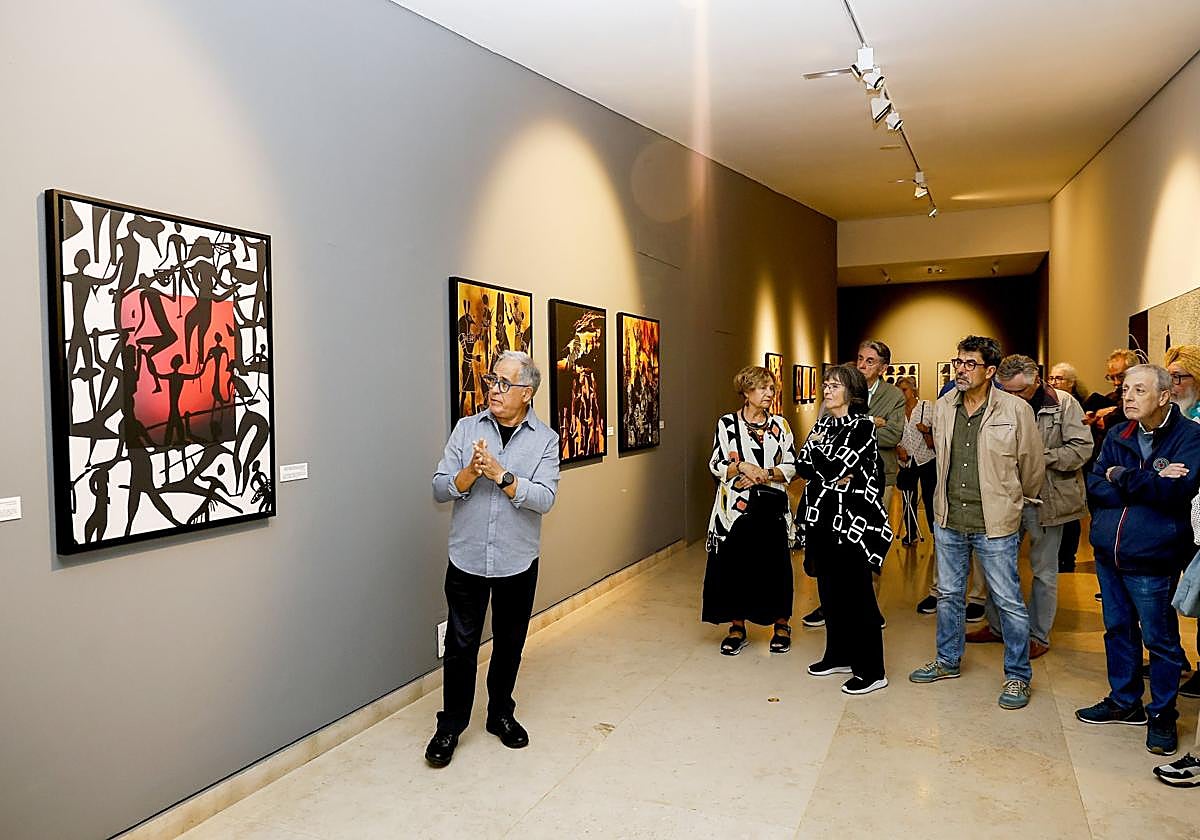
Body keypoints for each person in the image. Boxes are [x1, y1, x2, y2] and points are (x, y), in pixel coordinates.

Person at [426, 351, 560, 768]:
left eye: (504, 383)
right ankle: (450, 726)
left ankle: (500, 713)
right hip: (465, 558)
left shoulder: (546, 440)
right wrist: (470, 473)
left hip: (516, 562)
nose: (494, 390)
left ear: (528, 392)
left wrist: (502, 475)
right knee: (461, 645)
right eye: (491, 380)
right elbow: (439, 487)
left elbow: (545, 498)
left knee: (509, 643)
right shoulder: (467, 428)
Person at [909, 336, 1045, 710]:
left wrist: (1014, 502)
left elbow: (1032, 467)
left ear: (989, 371)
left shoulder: (1015, 410)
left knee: (1008, 601)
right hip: (950, 518)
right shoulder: (943, 407)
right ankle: (947, 660)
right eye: (958, 362)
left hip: (995, 522)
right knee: (950, 595)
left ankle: (1017, 676)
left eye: (970, 364)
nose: (961, 370)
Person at [1076, 364, 1200, 757]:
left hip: (1154, 554)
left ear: (1164, 397)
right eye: (1126, 389)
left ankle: (1162, 714)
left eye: (1138, 390)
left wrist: (1121, 476)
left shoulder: (1191, 437)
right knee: (1117, 629)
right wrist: (1139, 480)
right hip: (1109, 551)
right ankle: (1124, 701)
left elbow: (1176, 493)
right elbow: (1095, 486)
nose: (1127, 397)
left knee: (1160, 639)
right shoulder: (1117, 433)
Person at [966, 355, 1092, 659]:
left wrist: (1037, 455)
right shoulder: (996, 402)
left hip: (1047, 500)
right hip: (1005, 499)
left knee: (1044, 571)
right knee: (996, 565)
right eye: (1006, 391)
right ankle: (996, 627)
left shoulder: (1063, 404)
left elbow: (1081, 449)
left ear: (1037, 381)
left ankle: (1038, 635)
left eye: (1019, 392)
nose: (1013, 398)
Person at [796, 364, 892, 695]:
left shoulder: (863, 426)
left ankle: (871, 670)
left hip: (852, 524)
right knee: (830, 592)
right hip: (821, 519)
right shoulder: (822, 424)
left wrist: (829, 465)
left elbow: (836, 465)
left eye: (834, 385)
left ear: (851, 393)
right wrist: (831, 468)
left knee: (858, 596)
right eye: (825, 384)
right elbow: (803, 465)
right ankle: (837, 655)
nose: (826, 390)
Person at [801, 340, 903, 628]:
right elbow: (808, 455)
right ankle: (830, 605)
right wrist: (873, 423)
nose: (862, 364)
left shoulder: (893, 395)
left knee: (862, 550)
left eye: (870, 361)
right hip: (830, 491)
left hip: (873, 483)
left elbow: (893, 435)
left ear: (883, 367)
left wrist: (862, 428)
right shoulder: (833, 402)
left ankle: (866, 608)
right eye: (860, 358)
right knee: (833, 550)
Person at [703, 365, 798, 655]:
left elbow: (793, 465)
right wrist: (742, 466)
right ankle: (737, 627)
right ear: (746, 392)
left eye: (771, 388)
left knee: (775, 567)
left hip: (771, 507)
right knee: (735, 568)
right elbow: (716, 464)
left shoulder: (780, 425)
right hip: (736, 511)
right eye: (762, 388)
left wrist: (764, 474)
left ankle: (781, 624)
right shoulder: (727, 424)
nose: (769, 393)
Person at [1165, 345, 1200, 698]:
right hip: (1173, 521)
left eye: (1180, 377)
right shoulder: (1171, 419)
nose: (1173, 386)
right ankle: (1174, 658)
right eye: (1169, 378)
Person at [1050, 361, 1089, 572]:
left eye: (1059, 378)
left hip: (1070, 469)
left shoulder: (1077, 403)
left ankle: (1067, 558)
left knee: (1070, 517)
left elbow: (1081, 444)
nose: (1054, 382)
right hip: (1052, 471)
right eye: (1052, 378)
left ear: (1071, 383)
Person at [895, 376, 935, 547]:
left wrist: (927, 431)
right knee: (908, 498)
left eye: (904, 390)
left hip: (926, 459)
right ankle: (910, 533)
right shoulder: (895, 410)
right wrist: (898, 448)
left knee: (930, 498)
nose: (901, 394)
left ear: (914, 390)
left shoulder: (927, 407)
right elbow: (892, 433)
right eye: (898, 391)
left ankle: (936, 535)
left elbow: (939, 432)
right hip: (906, 461)